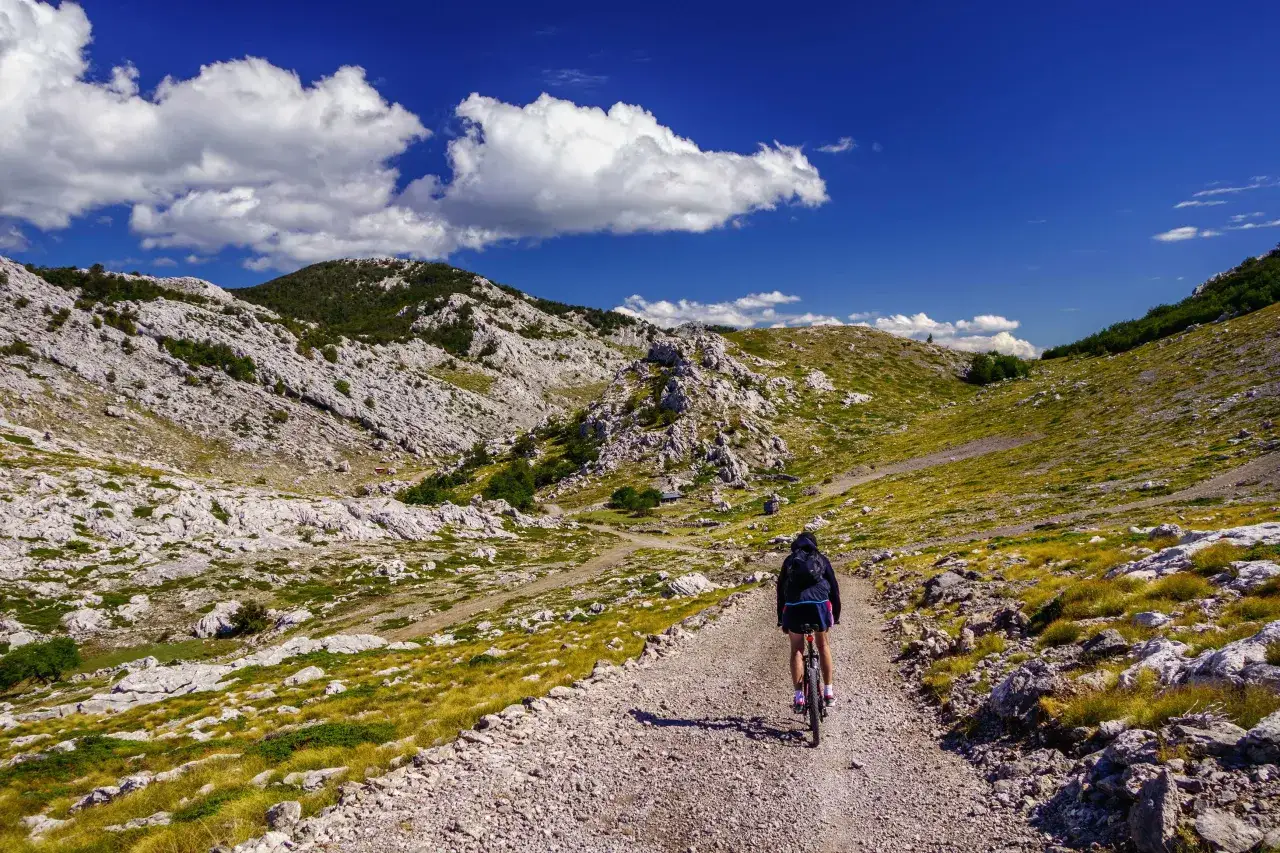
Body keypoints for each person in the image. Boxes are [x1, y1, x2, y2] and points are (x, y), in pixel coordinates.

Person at [776, 531, 840, 709]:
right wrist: (836, 615)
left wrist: (781, 619)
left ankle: (799, 697)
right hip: (819, 605)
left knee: (797, 649)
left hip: (794, 607)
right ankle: (828, 692)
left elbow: (780, 590)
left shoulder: (789, 560)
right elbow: (834, 588)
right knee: (823, 646)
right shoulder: (820, 558)